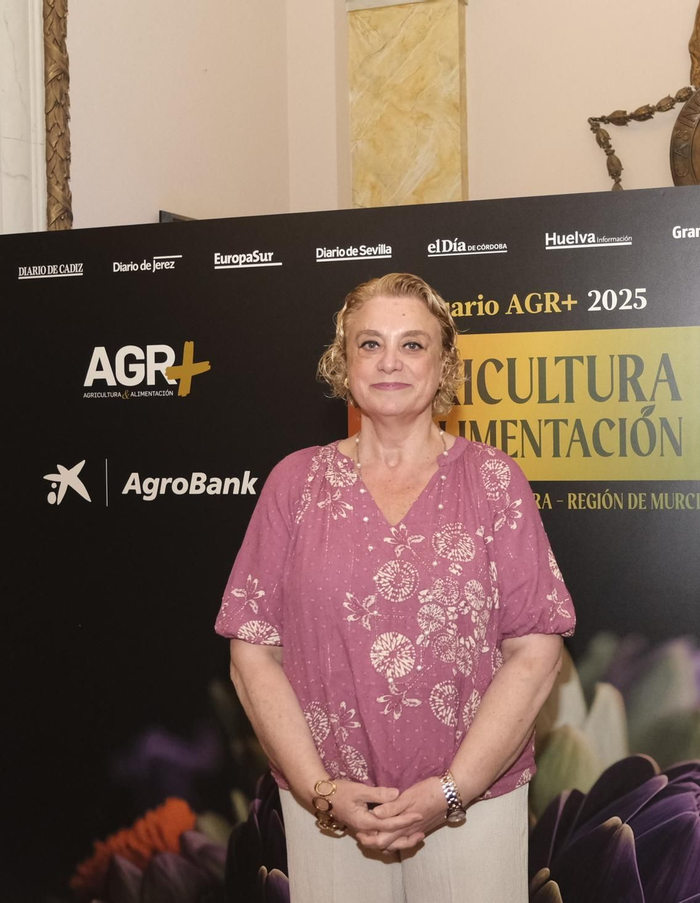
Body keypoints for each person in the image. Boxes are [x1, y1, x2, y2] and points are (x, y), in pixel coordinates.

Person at [214, 272, 575, 902]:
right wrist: (319, 791)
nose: (390, 362)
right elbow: (252, 654)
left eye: (412, 345)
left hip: (474, 807)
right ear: (342, 362)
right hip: (328, 813)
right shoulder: (294, 485)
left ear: (443, 368)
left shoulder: (494, 481)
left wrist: (452, 790)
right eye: (369, 344)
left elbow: (537, 652)